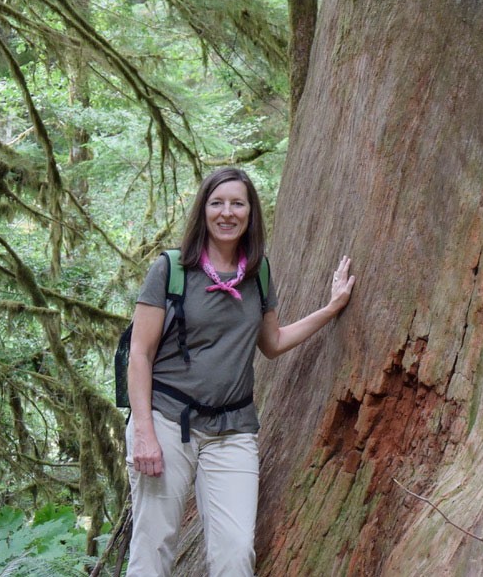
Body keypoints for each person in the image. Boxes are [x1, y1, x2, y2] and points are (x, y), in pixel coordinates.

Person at [125, 167, 354, 576]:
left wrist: (331, 308)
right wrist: (144, 433)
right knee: (153, 546)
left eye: (237, 203)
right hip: (167, 421)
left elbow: (273, 342)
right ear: (203, 210)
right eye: (217, 203)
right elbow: (139, 354)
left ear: (250, 212)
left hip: (233, 428)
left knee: (235, 551)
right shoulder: (172, 269)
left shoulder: (257, 272)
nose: (227, 213)